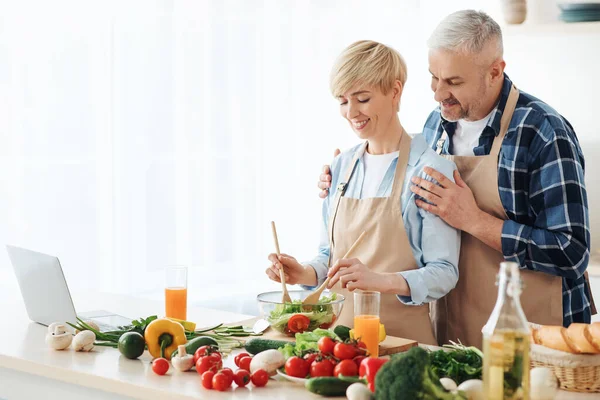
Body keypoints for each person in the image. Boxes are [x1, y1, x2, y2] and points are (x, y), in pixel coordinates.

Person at [318, 11, 595, 348]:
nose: (438, 94)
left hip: (535, 332)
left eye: (453, 81)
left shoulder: (543, 132)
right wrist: (350, 172)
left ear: (495, 71)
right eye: (434, 77)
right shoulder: (437, 125)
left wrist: (474, 220)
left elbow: (572, 252)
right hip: (455, 328)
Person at [265, 40, 460, 345]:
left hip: (403, 347)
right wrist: (302, 273)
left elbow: (444, 273)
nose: (351, 112)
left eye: (363, 99)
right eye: (343, 101)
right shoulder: (341, 168)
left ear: (395, 91)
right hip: (338, 348)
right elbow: (330, 259)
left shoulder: (428, 172)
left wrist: (380, 282)